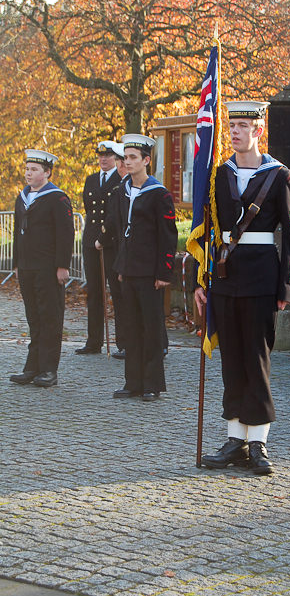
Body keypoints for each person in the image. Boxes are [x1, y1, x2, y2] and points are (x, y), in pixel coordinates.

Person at [195, 101, 290, 475]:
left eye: (242, 125)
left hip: (260, 278)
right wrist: (201, 279)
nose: (235, 131)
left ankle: (259, 443)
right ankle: (234, 438)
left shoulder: (280, 176)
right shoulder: (218, 175)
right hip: (224, 277)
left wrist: (286, 286)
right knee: (232, 359)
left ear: (258, 130)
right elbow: (206, 230)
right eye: (232, 125)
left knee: (256, 358)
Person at [112, 134, 177, 402]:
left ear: (146, 161)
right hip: (128, 270)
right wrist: (121, 266)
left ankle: (152, 384)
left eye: (132, 158)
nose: (127, 162)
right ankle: (133, 382)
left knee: (151, 328)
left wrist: (164, 272)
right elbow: (120, 232)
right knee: (131, 326)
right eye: (125, 157)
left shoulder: (159, 194)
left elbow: (168, 235)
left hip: (150, 273)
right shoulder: (122, 191)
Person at [10, 149, 74, 387]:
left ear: (47, 173)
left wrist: (62, 266)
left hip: (48, 268)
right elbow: (18, 232)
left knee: (49, 318)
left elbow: (66, 234)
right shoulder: (22, 197)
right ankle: (32, 367)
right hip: (28, 267)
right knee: (34, 318)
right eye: (27, 169)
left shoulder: (57, 198)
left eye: (34, 169)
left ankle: (49, 370)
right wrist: (16, 263)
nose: (28, 173)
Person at [76, 141, 124, 356]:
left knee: (118, 291)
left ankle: (123, 342)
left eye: (108, 156)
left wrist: (105, 238)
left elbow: (115, 214)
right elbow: (90, 211)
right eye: (100, 156)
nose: (103, 159)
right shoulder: (91, 180)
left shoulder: (121, 179)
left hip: (112, 243)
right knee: (94, 292)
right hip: (91, 241)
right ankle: (94, 341)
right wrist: (94, 239)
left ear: (115, 157)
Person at [95, 142, 127, 359]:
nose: (122, 165)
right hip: (116, 247)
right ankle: (125, 343)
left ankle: (149, 343)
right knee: (120, 297)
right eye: (121, 161)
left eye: (125, 160)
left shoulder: (124, 186)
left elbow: (115, 219)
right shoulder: (120, 188)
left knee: (133, 300)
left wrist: (103, 238)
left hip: (127, 250)